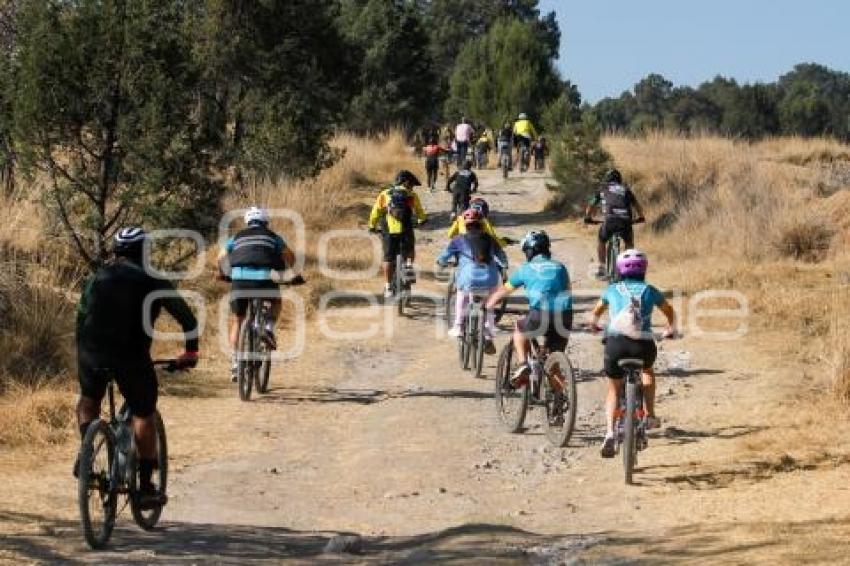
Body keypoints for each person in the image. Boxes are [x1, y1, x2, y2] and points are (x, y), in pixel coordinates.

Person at [75, 227, 199, 507]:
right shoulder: (153, 280)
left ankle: (86, 455)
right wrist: (190, 351)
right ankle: (145, 487)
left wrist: (83, 351)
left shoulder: (96, 278)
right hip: (130, 356)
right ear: (143, 251)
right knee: (143, 412)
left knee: (88, 398)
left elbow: (81, 317)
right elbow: (188, 319)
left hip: (90, 351)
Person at [588, 249, 677, 458]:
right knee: (647, 370)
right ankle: (651, 414)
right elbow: (669, 311)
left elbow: (595, 313)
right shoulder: (650, 290)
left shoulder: (612, 289)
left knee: (613, 389)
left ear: (619, 269)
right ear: (644, 269)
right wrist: (670, 328)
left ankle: (609, 433)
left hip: (616, 346)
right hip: (643, 346)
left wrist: (594, 326)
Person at [219, 206, 300, 381]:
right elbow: (289, 255)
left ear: (247, 221)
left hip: (239, 281)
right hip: (263, 280)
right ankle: (268, 328)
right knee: (276, 301)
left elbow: (220, 256)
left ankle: (236, 363)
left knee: (238, 321)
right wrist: (295, 273)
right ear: (265, 222)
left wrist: (223, 273)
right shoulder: (273, 237)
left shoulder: (237, 237)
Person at [486, 230, 572, 385]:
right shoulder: (561, 267)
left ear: (529, 251)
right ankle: (561, 401)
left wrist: (489, 304)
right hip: (565, 317)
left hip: (539, 315)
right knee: (553, 366)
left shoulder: (526, 268)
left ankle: (522, 364)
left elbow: (504, 291)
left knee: (519, 329)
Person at [437, 208, 507, 354]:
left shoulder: (458, 240)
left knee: (461, 295)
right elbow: (501, 255)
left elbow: (444, 256)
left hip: (468, 278)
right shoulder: (490, 238)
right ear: (481, 224)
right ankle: (488, 330)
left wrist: (441, 262)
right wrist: (504, 266)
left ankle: (458, 325)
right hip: (490, 277)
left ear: (465, 224)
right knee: (489, 303)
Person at [368, 170, 427, 298]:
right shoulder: (411, 195)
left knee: (388, 258)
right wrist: (421, 221)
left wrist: (372, 226)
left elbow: (375, 212)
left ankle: (388, 287)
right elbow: (420, 212)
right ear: (406, 182)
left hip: (388, 230)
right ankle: (408, 266)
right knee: (410, 248)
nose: (412, 187)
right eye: (411, 184)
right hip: (405, 229)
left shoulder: (385, 194)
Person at [584, 168, 647, 279]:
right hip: (625, 221)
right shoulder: (626, 190)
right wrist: (641, 217)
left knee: (601, 240)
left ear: (607, 179)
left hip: (610, 220)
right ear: (619, 179)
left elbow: (590, 205)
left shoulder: (602, 189)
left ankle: (602, 267)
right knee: (629, 243)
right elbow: (637, 206)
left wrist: (587, 218)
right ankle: (629, 267)